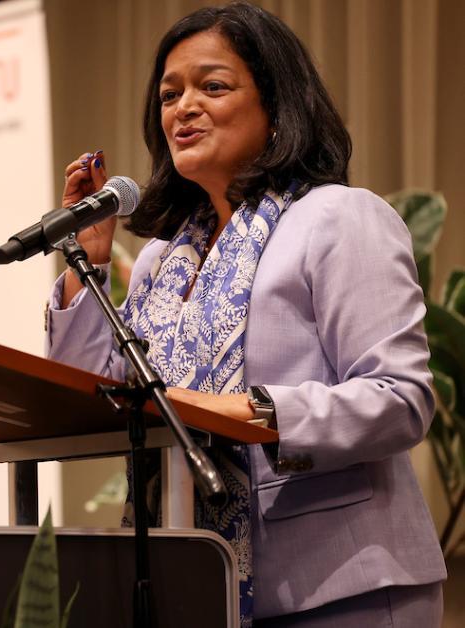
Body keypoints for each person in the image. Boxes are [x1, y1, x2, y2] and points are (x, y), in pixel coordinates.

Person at [45, 3, 446, 627]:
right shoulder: (160, 260)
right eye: (169, 94)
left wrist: (257, 412)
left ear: (276, 105)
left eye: (213, 86)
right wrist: (86, 261)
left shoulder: (337, 218)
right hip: (200, 587)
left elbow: (401, 398)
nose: (184, 107)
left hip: (344, 586)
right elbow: (94, 400)